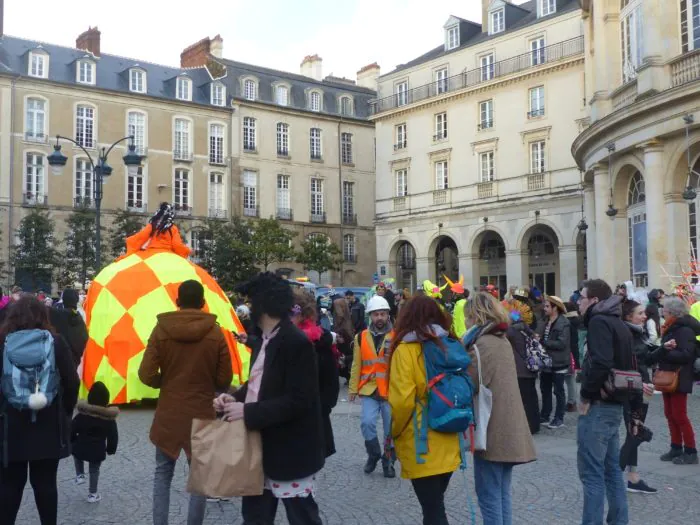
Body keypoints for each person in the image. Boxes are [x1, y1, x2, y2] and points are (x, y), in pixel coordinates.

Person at [215, 273, 325, 525]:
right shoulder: (266, 339)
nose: (249, 309)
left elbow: (300, 400)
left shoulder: (295, 342)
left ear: (263, 305)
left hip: (289, 451)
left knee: (302, 518)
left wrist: (248, 412)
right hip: (259, 449)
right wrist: (231, 399)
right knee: (254, 518)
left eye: (251, 303)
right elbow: (259, 385)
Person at [138, 280, 233, 525]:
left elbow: (145, 374)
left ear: (177, 301)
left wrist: (166, 381)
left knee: (162, 473)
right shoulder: (214, 332)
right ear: (202, 302)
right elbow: (224, 378)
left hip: (169, 412)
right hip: (202, 411)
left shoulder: (162, 329)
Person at [0, 295, 80, 525]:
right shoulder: (55, 342)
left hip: (9, 426)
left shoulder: (2, 342)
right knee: (45, 485)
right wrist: (64, 411)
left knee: (8, 487)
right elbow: (72, 382)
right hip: (48, 422)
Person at [387, 295, 463, 524]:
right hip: (450, 433)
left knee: (433, 511)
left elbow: (402, 402)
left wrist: (394, 433)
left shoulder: (405, 350)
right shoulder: (450, 343)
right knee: (434, 505)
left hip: (421, 440)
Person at [463, 292, 536, 524]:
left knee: (489, 496)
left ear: (475, 315)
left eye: (467, 316)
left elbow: (470, 384)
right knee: (502, 493)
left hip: (492, 429)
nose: (465, 321)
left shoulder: (480, 345)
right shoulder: (501, 339)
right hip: (511, 427)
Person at [577, 279, 639, 525]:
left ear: (593, 300)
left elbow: (601, 363)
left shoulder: (599, 322)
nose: (578, 302)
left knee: (592, 474)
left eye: (582, 297)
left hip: (600, 406)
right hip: (615, 404)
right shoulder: (618, 322)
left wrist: (586, 394)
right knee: (612, 471)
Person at [648, 296, 699, 465]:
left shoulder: (684, 330)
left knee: (679, 415)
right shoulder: (670, 328)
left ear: (673, 313)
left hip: (680, 375)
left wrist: (665, 352)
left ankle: (690, 450)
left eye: (665, 310)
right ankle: (676, 447)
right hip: (668, 375)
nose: (662, 312)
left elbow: (687, 354)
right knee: (669, 413)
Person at [349, 295, 396, 478]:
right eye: (376, 314)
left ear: (388, 315)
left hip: (390, 391)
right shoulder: (361, 337)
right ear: (370, 316)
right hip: (369, 388)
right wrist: (353, 389)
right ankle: (374, 453)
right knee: (367, 423)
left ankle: (389, 461)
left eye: (382, 314)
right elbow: (356, 365)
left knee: (390, 429)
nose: (379, 318)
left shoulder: (397, 336)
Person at [291, 289, 339, 458]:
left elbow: (329, 379)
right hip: (306, 414)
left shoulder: (316, 340)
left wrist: (322, 408)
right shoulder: (320, 338)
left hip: (310, 414)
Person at [619, 300, 657, 494]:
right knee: (635, 432)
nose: (645, 316)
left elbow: (646, 360)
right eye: (640, 313)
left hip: (643, 389)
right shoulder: (626, 335)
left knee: (634, 432)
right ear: (628, 316)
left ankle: (632, 477)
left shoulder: (638, 333)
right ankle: (614, 474)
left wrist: (664, 349)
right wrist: (639, 384)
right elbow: (626, 366)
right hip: (633, 391)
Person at [71, 381, 119, 503]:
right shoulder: (109, 419)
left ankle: (80, 474)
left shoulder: (82, 415)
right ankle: (92, 494)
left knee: (77, 456)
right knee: (94, 470)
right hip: (97, 450)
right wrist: (110, 449)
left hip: (80, 446)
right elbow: (113, 436)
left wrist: (72, 440)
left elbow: (72, 428)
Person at [538, 295, 571, 429]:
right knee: (545, 389)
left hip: (559, 361)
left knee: (558, 391)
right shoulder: (545, 321)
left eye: (547, 306)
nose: (544, 308)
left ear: (555, 308)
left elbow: (562, 343)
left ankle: (559, 418)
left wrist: (544, 343)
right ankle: (545, 415)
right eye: (544, 306)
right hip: (546, 361)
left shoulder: (563, 323)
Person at [505, 309, 540, 434]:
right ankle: (535, 424)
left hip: (519, 370)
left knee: (523, 400)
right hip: (530, 368)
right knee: (532, 398)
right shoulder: (527, 329)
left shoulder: (511, 331)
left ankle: (528, 426)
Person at [121, 202, 191, 260]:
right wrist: (187, 250)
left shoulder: (152, 225)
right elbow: (177, 244)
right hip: (167, 256)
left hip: (151, 255)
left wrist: (128, 240)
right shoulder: (172, 228)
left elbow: (140, 237)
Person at [48, 288, 88, 368]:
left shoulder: (57, 314)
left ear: (63, 299)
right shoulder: (79, 317)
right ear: (77, 300)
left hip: (59, 363)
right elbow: (85, 338)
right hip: (75, 361)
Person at [332, 296, 354, 381]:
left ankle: (347, 375)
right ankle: (349, 375)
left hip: (342, 331)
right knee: (348, 352)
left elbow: (339, 315)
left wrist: (336, 327)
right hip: (348, 331)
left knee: (342, 354)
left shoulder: (337, 302)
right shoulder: (344, 304)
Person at [564, 301, 581, 412]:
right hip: (574, 353)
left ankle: (572, 402)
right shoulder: (577, 320)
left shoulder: (568, 322)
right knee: (570, 379)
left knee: (569, 379)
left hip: (569, 353)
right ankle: (572, 401)